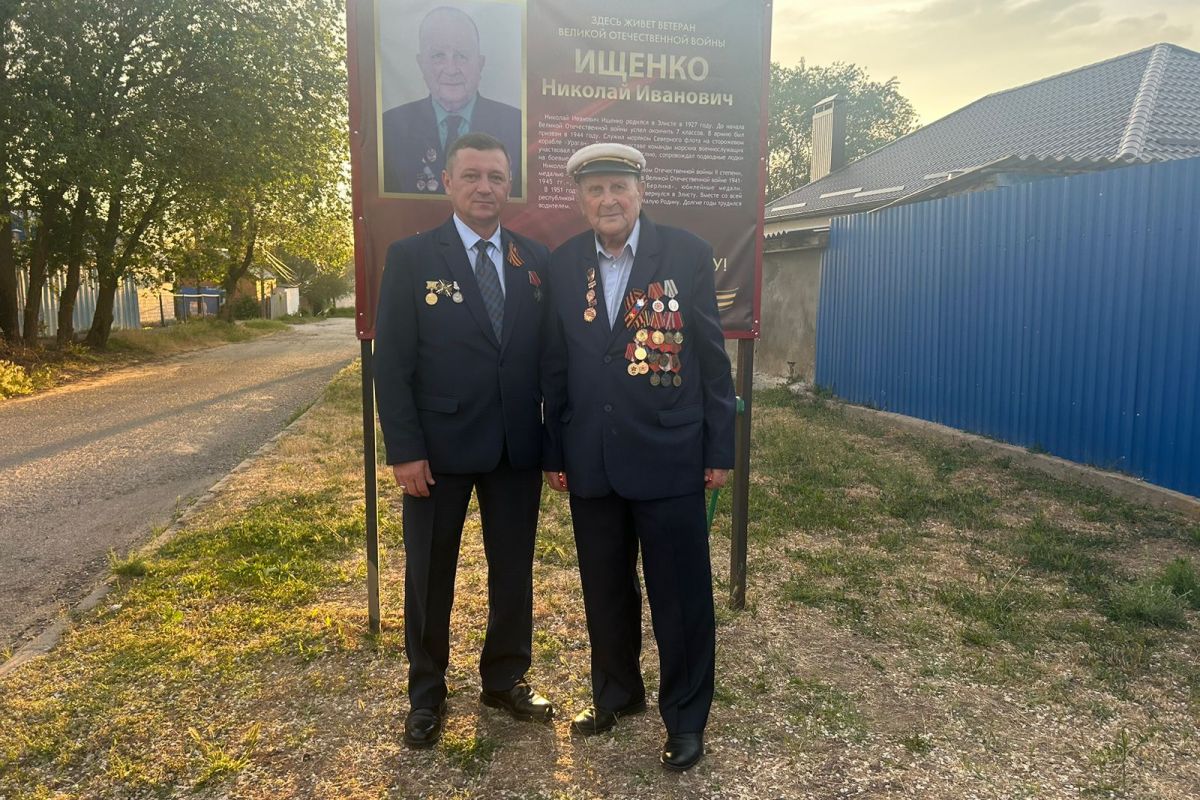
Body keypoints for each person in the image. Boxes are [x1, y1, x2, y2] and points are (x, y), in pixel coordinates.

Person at [540, 143, 736, 771]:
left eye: (619, 187)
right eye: (595, 190)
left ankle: (685, 718)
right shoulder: (566, 263)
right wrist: (554, 449)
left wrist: (719, 448)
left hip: (669, 453)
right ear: (580, 199)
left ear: (642, 190)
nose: (608, 200)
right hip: (592, 455)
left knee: (678, 594)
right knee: (605, 589)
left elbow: (708, 355)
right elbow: (556, 364)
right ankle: (617, 693)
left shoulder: (684, 253)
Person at [374, 132, 551, 749]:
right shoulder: (412, 257)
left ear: (510, 185)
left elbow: (547, 360)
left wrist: (552, 443)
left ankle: (505, 679)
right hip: (437, 452)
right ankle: (427, 693)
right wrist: (404, 450)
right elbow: (391, 363)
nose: (485, 187)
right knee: (429, 576)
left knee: (513, 573)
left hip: (515, 449)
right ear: (446, 182)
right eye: (472, 175)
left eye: (497, 177)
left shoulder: (534, 262)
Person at [382, 5, 523, 197]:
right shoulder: (389, 129)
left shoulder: (518, 126)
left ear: (480, 63)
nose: (451, 69)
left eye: (462, 56)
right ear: (421, 63)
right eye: (438, 56)